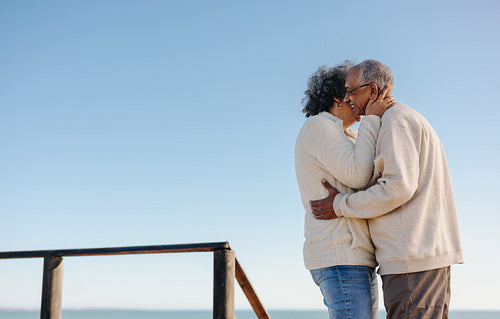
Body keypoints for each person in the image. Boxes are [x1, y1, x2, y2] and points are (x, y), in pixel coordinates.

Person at [310, 59, 464, 319]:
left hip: (411, 258)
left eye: (352, 90)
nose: (347, 98)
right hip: (419, 255)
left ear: (372, 91)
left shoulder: (395, 121)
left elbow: (396, 187)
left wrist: (339, 205)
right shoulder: (402, 119)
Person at [295, 62, 395, 319]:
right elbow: (359, 176)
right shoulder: (319, 126)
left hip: (355, 258)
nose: (358, 101)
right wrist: (372, 118)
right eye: (350, 93)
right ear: (339, 96)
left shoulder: (345, 135)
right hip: (339, 257)